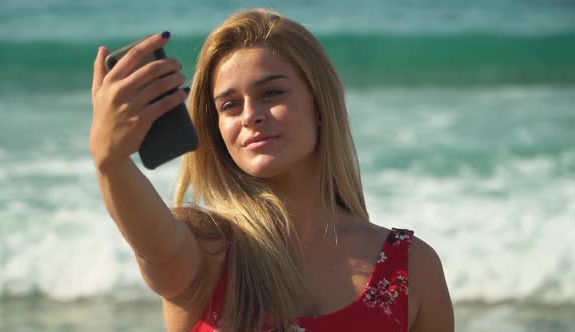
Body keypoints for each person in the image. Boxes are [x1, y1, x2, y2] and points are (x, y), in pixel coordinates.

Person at [90, 8, 454, 332]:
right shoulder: (207, 252)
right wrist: (111, 162)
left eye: (272, 93)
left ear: (320, 104)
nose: (250, 115)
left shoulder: (410, 267)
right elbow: (154, 248)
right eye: (230, 105)